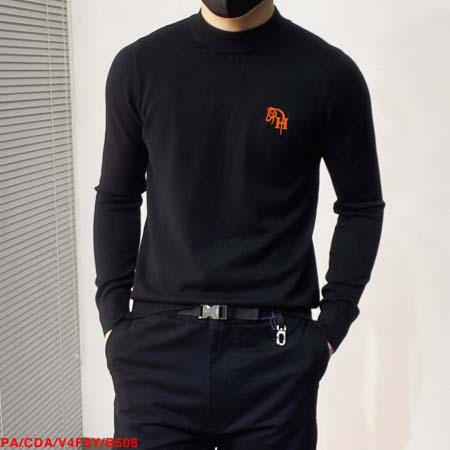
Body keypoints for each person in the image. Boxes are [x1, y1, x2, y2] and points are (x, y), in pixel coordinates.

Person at [93, 0, 385, 448]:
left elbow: (361, 205)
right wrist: (113, 322)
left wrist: (329, 331)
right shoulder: (139, 67)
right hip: (156, 358)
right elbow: (117, 197)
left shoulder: (328, 74)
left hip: (275, 362)